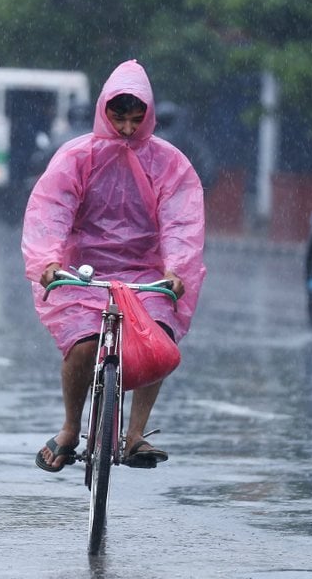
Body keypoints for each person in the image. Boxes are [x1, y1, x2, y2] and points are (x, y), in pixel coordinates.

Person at [22, 59, 206, 472]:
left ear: (149, 116)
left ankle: (135, 433)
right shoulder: (77, 157)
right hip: (83, 272)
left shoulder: (169, 163)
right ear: (104, 110)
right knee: (84, 345)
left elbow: (181, 220)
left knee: (159, 340)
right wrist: (48, 260)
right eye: (118, 118)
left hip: (148, 274)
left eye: (136, 120)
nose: (126, 129)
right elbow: (52, 209)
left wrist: (176, 269)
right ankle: (71, 427)